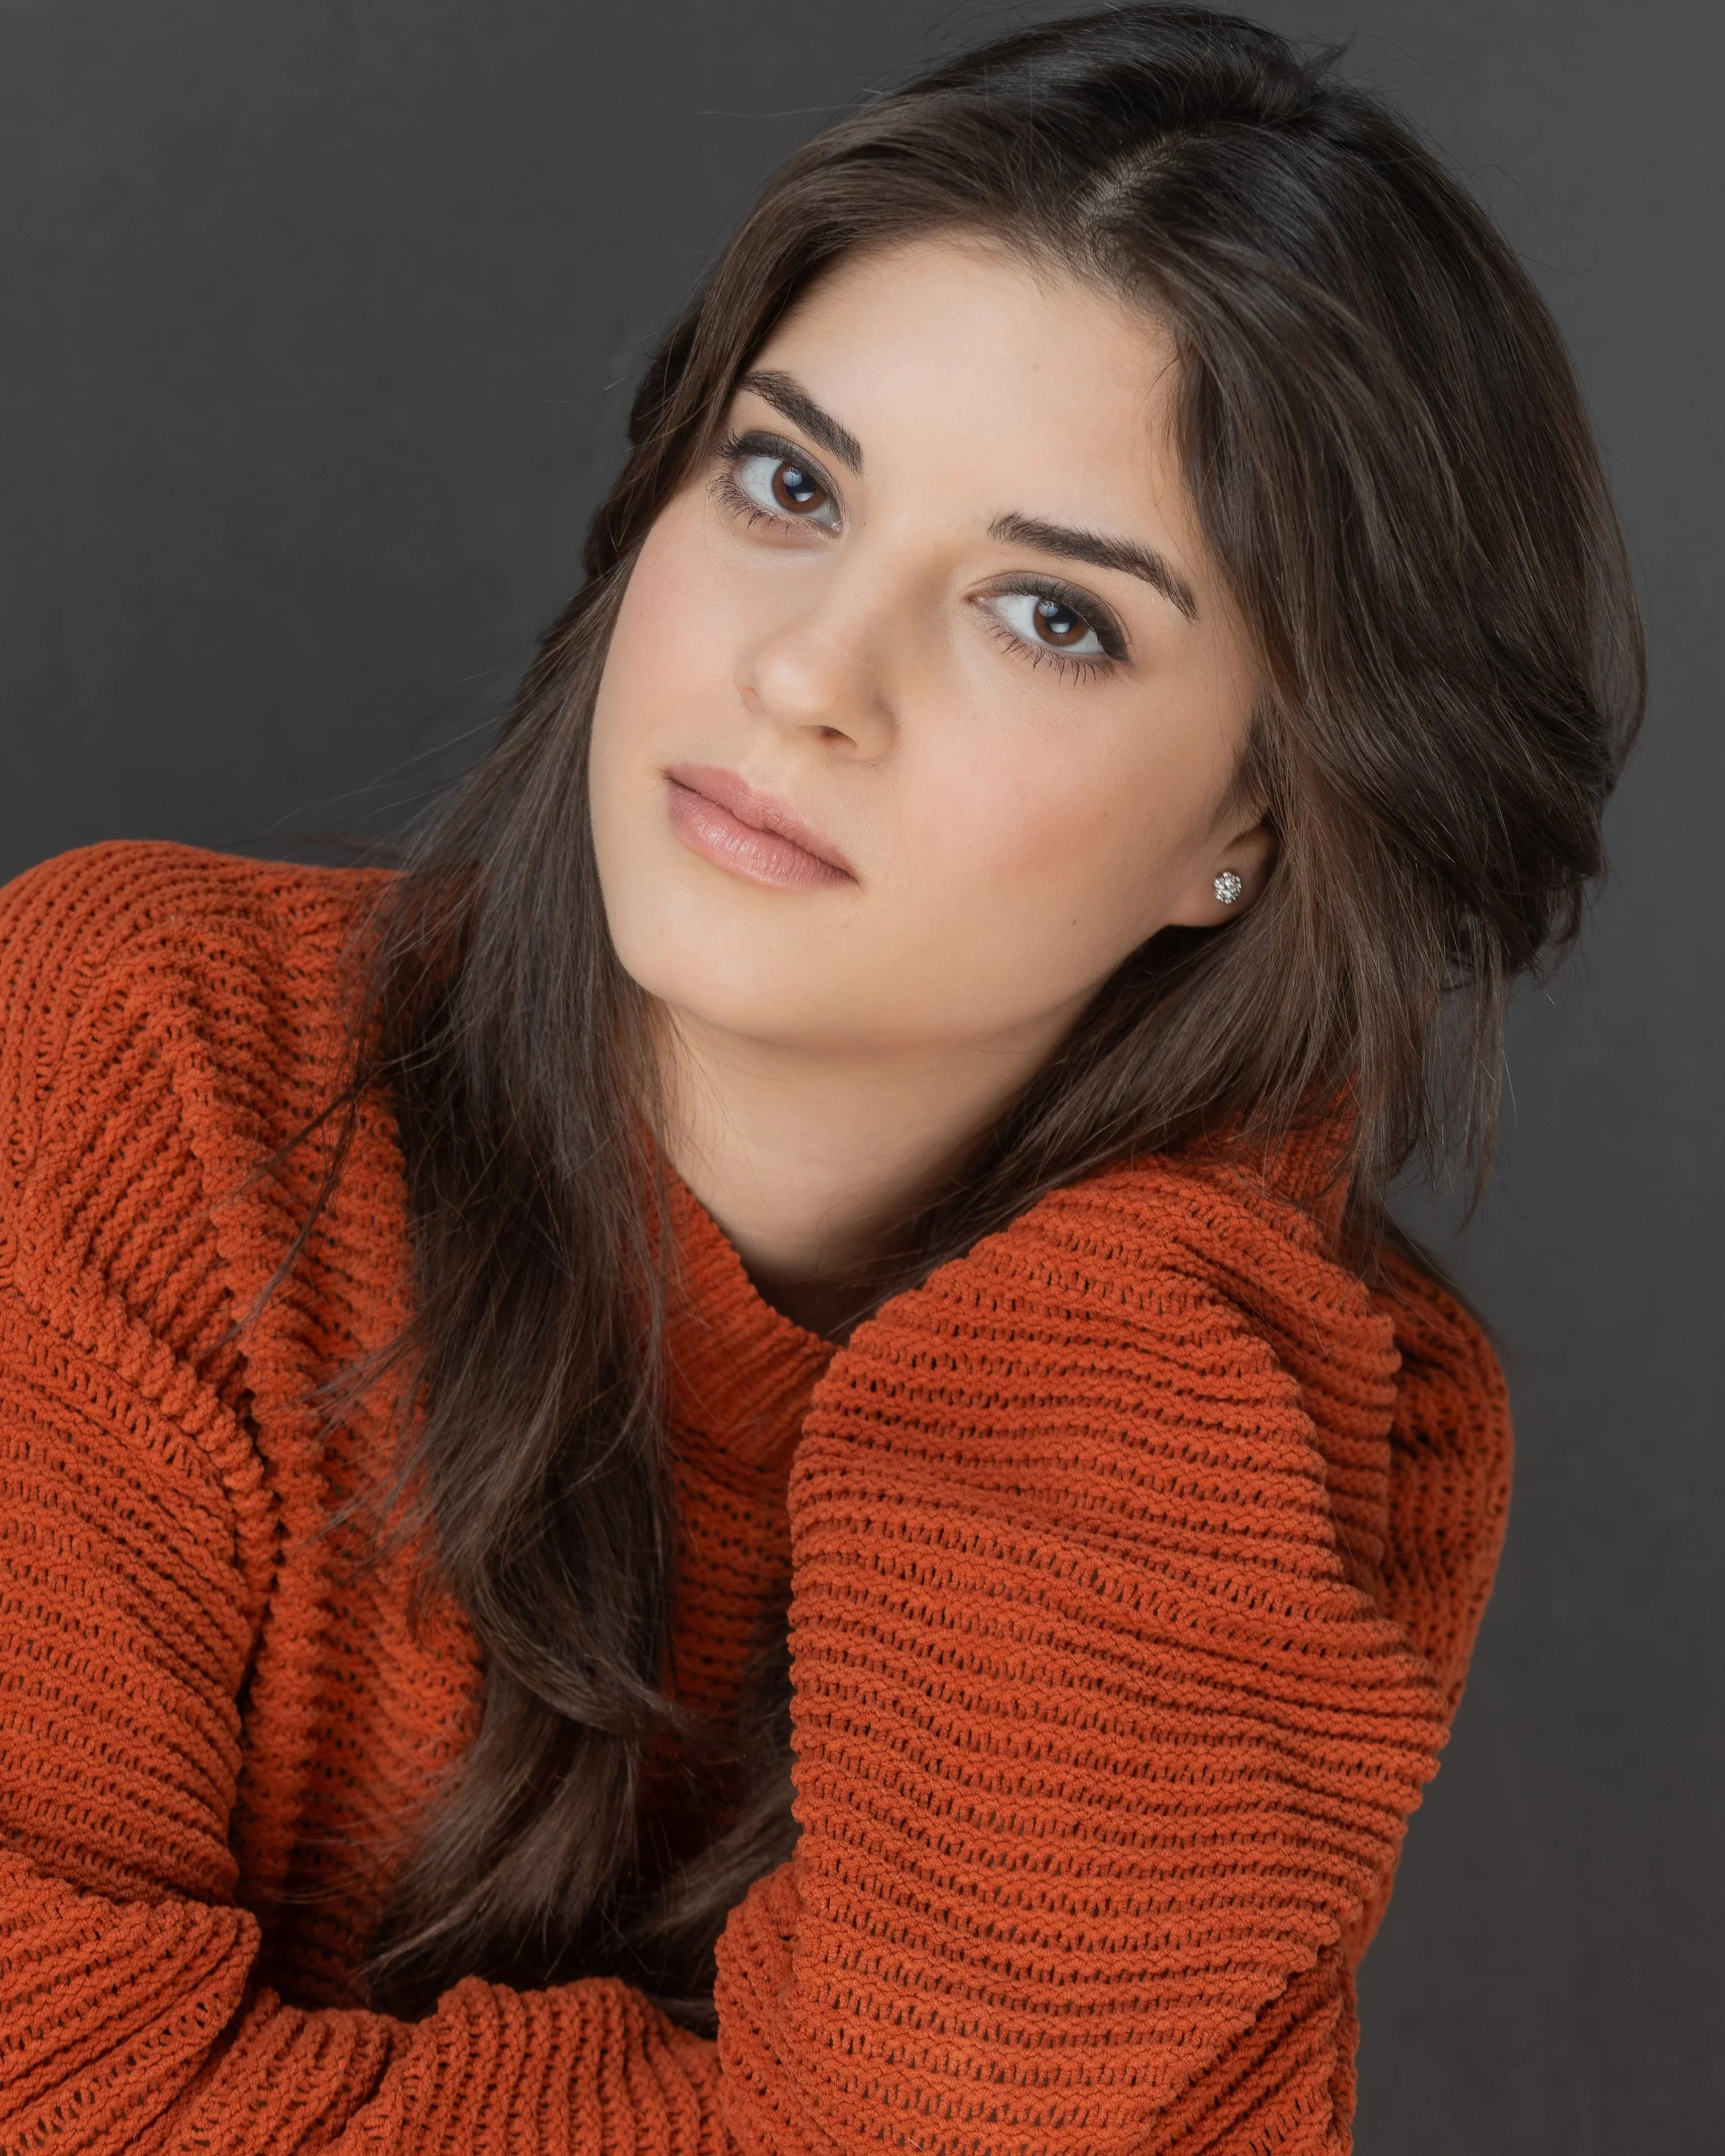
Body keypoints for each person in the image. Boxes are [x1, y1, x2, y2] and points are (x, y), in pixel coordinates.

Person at [0, 6, 1640, 2150]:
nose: (802, 674)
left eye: (1048, 614)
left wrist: (1139, 1294)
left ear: (1263, 811)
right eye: (786, 483)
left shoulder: (1297, 1411)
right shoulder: (148, 1058)